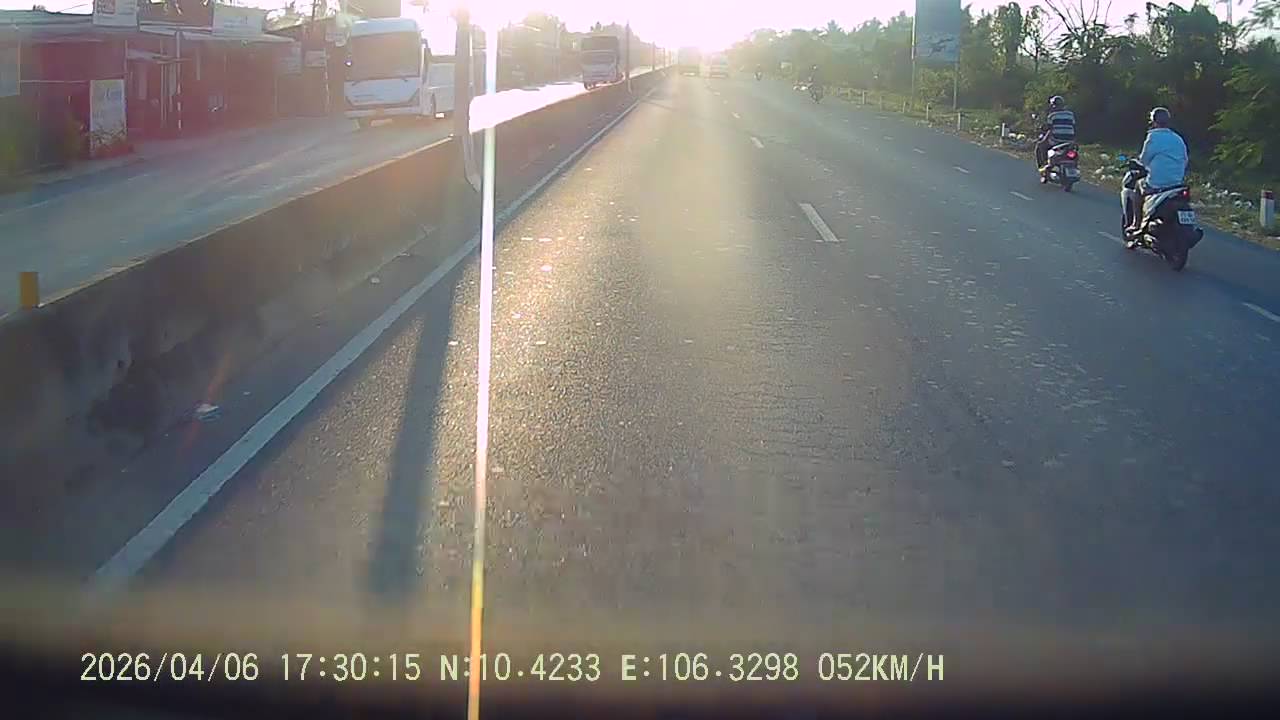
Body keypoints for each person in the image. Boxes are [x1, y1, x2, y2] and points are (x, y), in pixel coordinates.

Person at [1138, 106, 1188, 191]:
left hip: (1156, 184)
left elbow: (1143, 161)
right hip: (1176, 183)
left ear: (1153, 122)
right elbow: (1185, 160)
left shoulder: (1153, 137)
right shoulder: (1178, 138)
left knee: (1138, 184)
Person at [1035, 95, 1077, 173]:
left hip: (1057, 140)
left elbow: (1049, 129)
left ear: (1053, 106)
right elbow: (1074, 126)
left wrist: (1042, 130)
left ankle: (1043, 165)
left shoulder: (1052, 115)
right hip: (1069, 141)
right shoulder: (1070, 114)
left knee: (1040, 146)